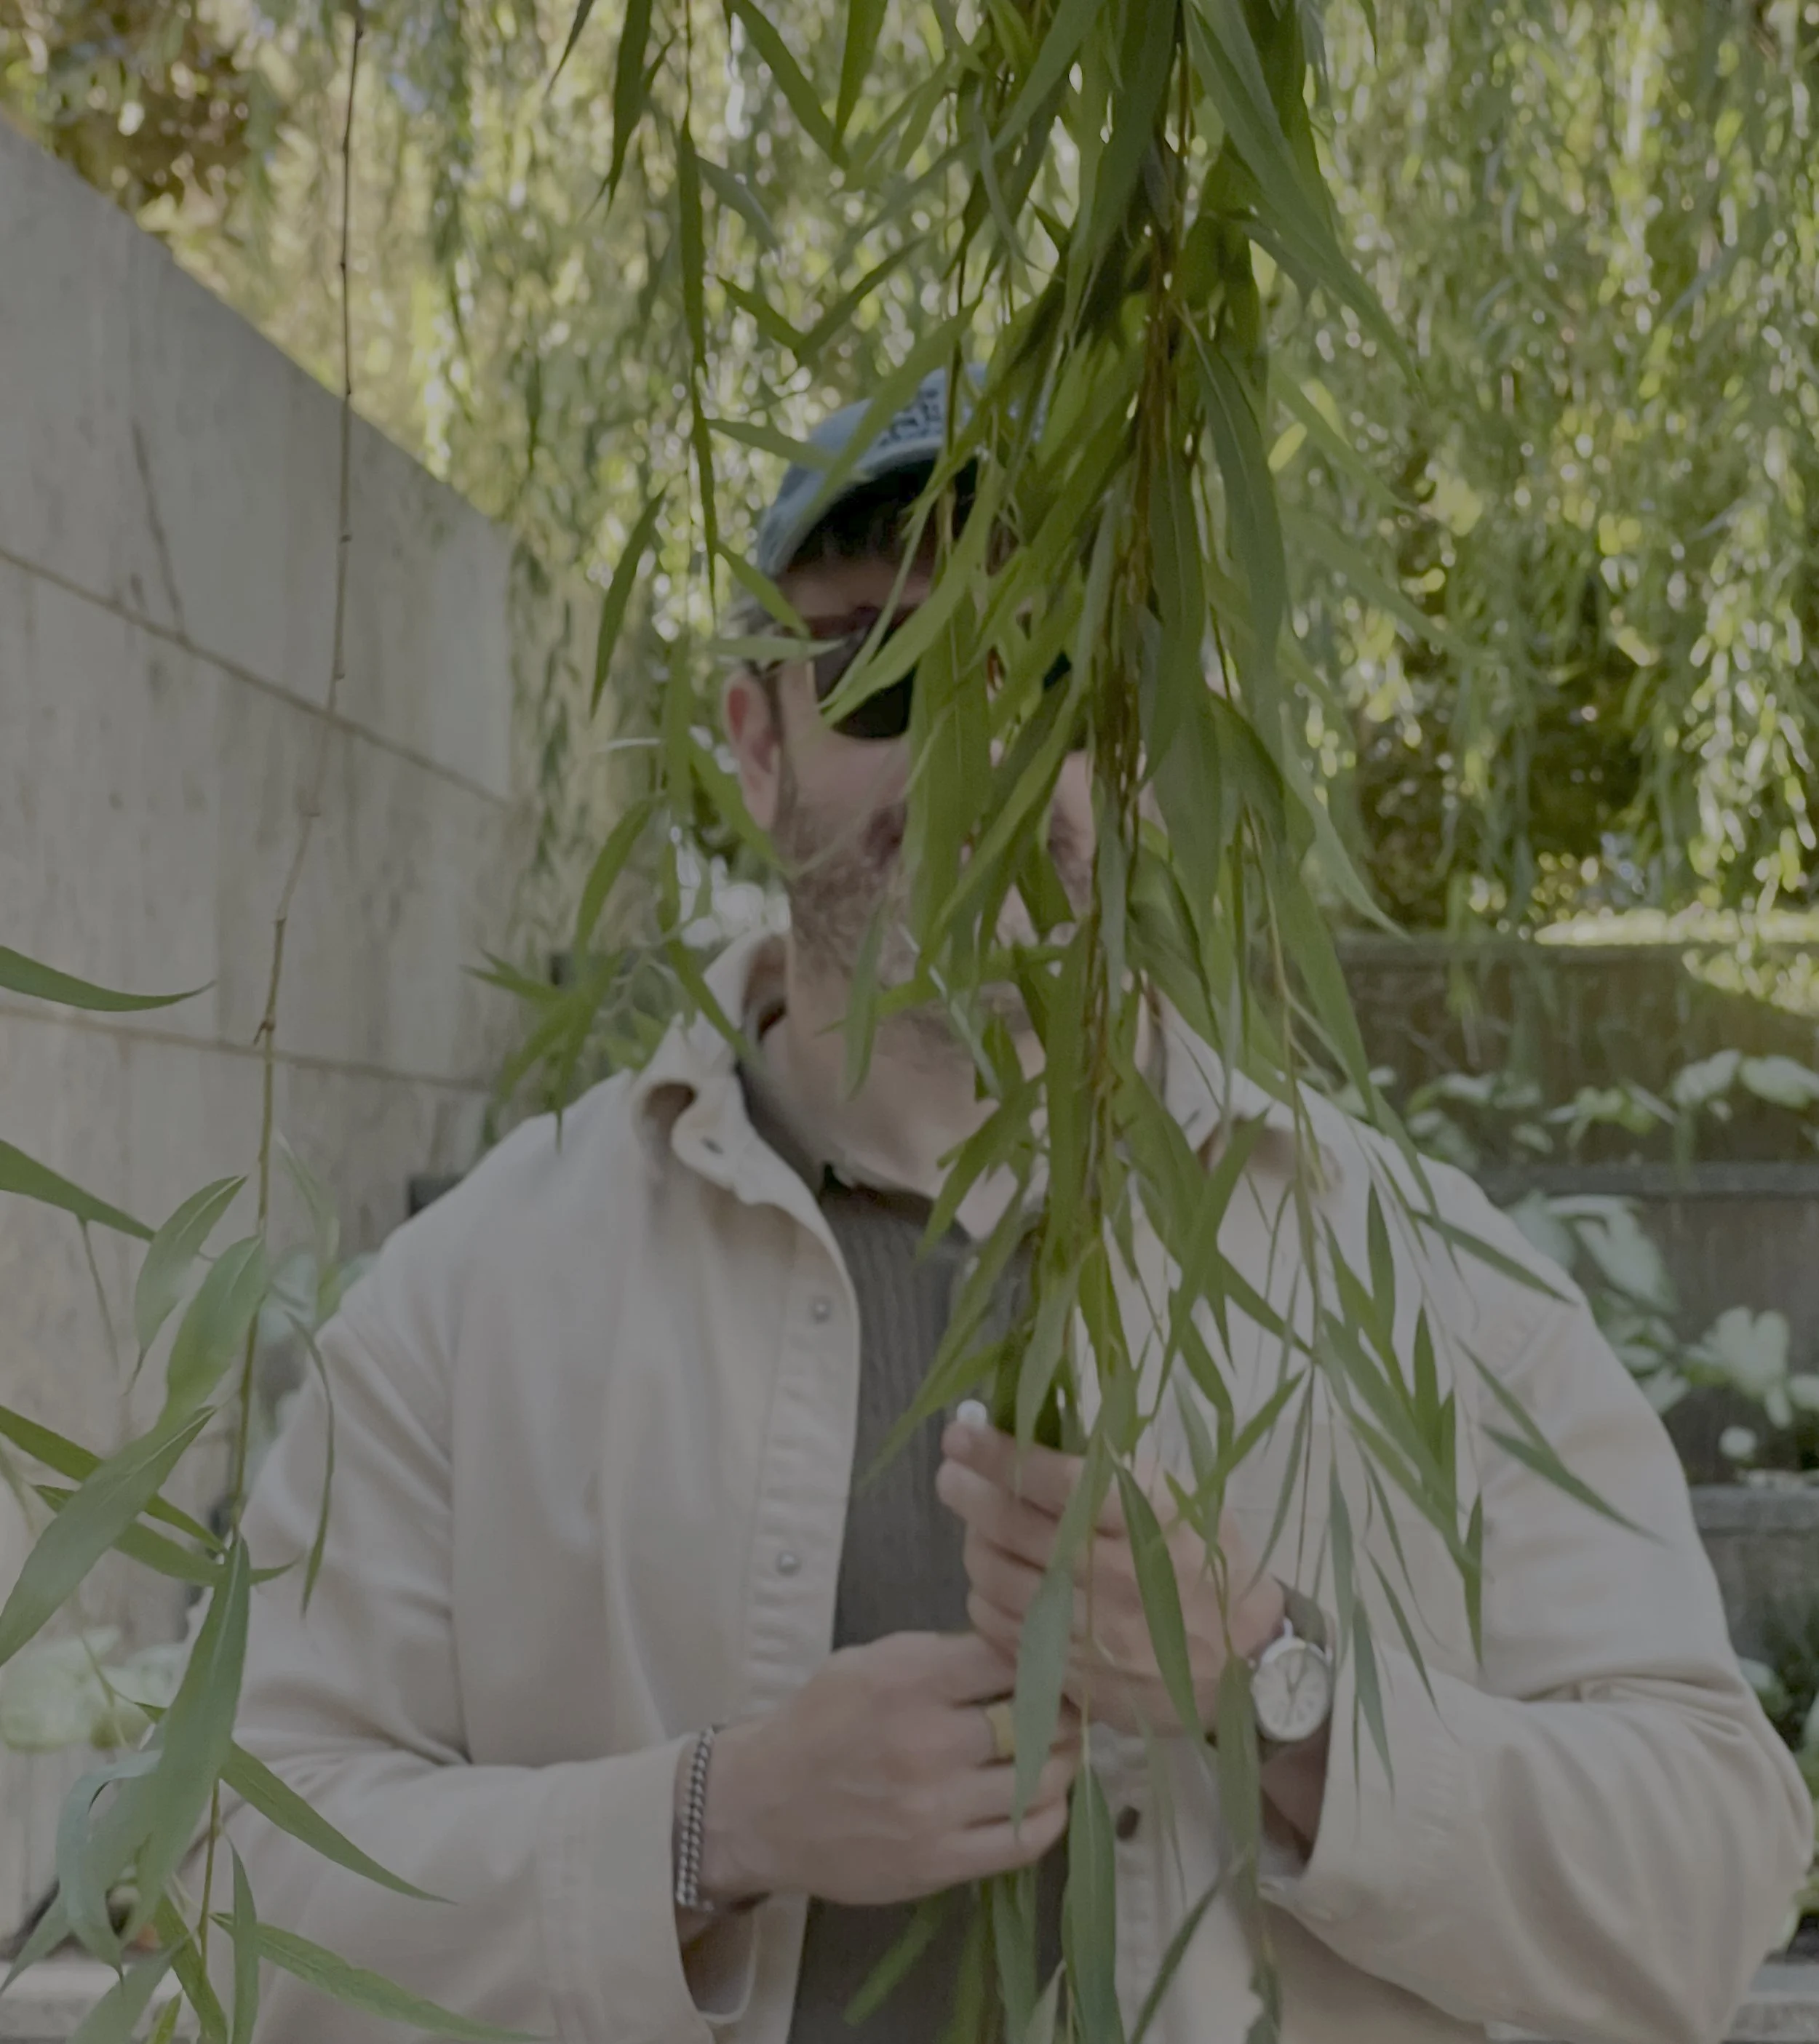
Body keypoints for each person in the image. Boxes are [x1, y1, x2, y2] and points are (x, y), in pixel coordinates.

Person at [215, 372, 1811, 2044]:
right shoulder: (473, 1302)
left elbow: (1705, 1880)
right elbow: (236, 1878)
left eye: (1054, 673)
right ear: (755, 740)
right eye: (886, 673)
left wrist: (1273, 1686)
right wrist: (709, 1826)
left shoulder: (1419, 1277)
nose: (979, 763)